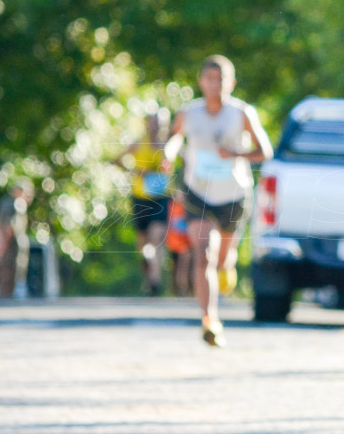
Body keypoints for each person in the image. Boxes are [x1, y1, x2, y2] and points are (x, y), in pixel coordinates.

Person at [165, 55, 273, 346]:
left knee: (223, 260)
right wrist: (169, 153)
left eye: (222, 79)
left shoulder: (242, 113)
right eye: (210, 79)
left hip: (234, 195)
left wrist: (236, 155)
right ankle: (209, 319)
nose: (216, 84)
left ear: (231, 82)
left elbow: (265, 151)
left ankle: (227, 268)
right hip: (198, 192)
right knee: (204, 254)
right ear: (201, 82)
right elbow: (175, 138)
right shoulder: (188, 113)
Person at [115, 110, 172, 296]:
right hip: (140, 197)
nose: (157, 126)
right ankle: (148, 276)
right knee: (143, 243)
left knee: (158, 237)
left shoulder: (169, 146)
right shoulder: (139, 144)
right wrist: (137, 172)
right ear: (147, 124)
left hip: (162, 197)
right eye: (154, 122)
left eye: (161, 122)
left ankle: (155, 281)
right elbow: (116, 160)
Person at [0, 180, 32, 299]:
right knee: (12, 273)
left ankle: (2, 297)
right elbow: (10, 227)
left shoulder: (3, 202)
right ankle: (9, 300)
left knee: (3, 271)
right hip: (13, 243)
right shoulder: (16, 204)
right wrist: (3, 244)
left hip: (4, 241)